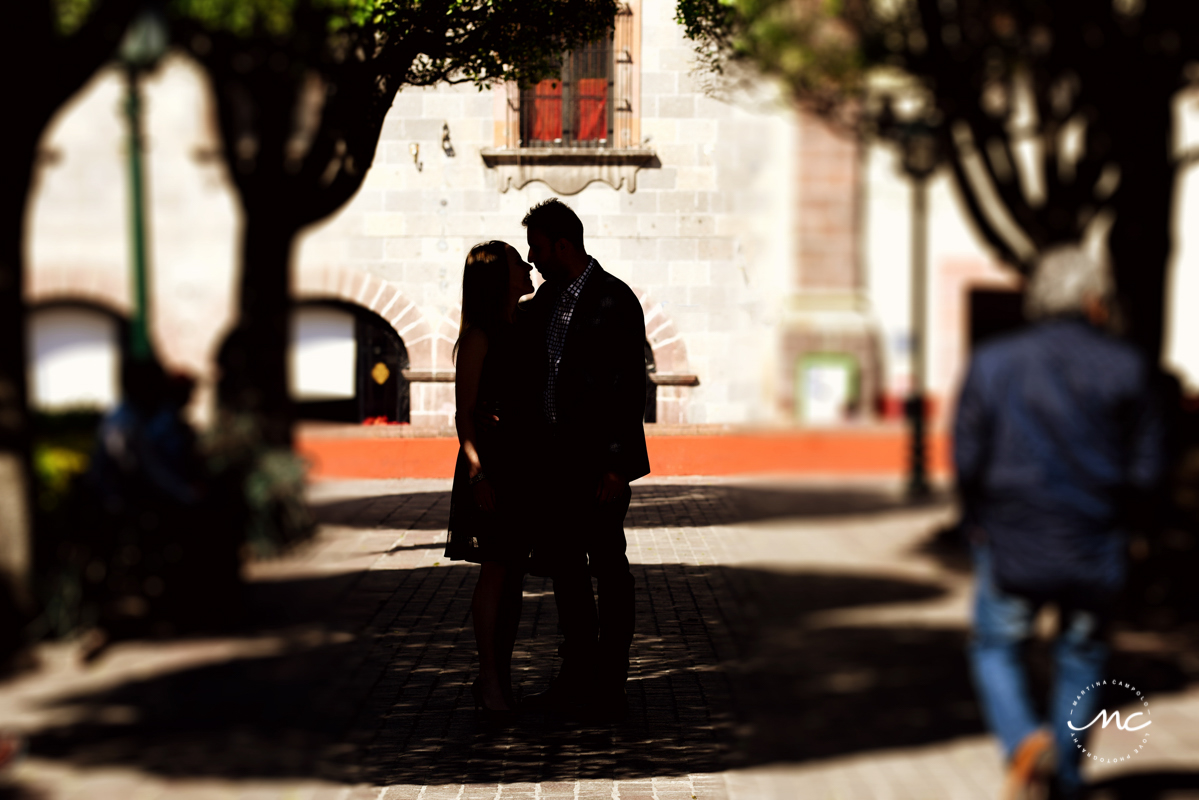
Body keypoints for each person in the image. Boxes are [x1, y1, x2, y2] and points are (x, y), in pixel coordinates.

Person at [954, 246, 1164, 800]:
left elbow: (967, 454)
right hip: (1094, 539)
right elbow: (1147, 470)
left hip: (1011, 536)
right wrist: (1134, 531)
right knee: (1083, 653)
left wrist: (974, 519)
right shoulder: (1127, 365)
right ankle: (1065, 779)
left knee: (996, 645)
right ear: (1095, 300)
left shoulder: (994, 361)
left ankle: (1025, 743)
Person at [518, 198, 650, 722]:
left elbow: (627, 388)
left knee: (609, 570)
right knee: (567, 573)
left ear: (563, 245)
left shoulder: (615, 300)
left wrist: (617, 466)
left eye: (538, 248)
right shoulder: (546, 301)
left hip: (599, 469)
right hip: (555, 467)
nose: (533, 259)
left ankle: (610, 685)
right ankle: (575, 676)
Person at [444, 240, 536, 719]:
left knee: (513, 572)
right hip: (493, 468)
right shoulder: (480, 336)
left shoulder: (520, 324)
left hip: (520, 464)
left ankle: (498, 675)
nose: (528, 266)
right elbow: (463, 415)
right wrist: (478, 473)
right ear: (499, 278)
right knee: (497, 571)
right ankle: (490, 680)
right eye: (518, 263)